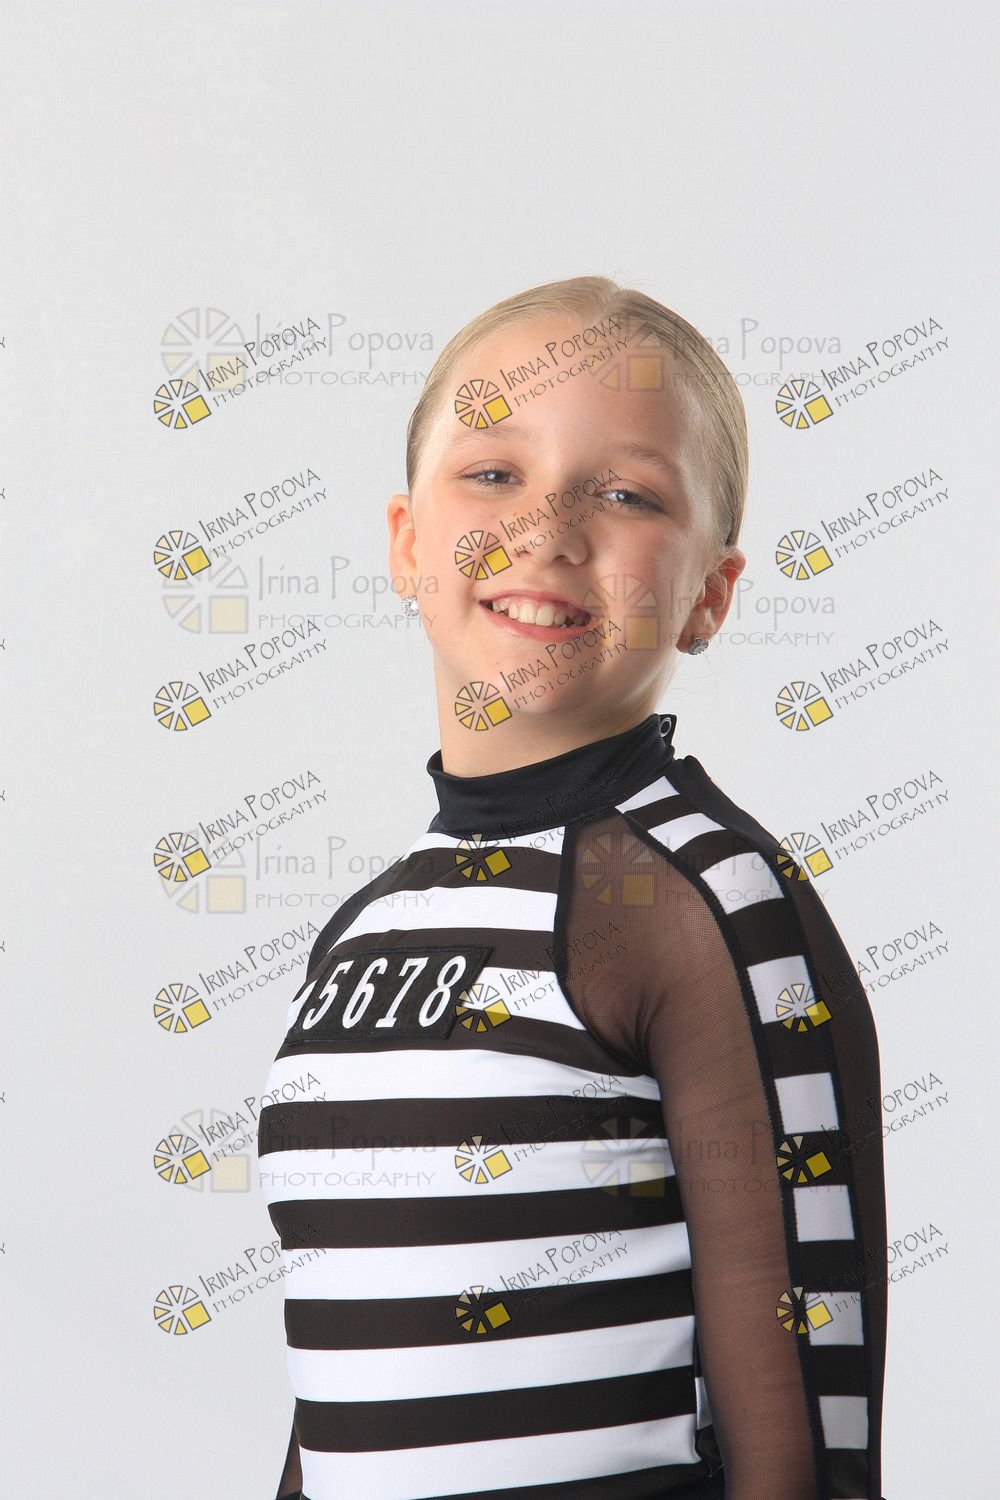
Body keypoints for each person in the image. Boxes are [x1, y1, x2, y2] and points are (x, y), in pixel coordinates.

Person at [257, 275, 888, 1500]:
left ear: (709, 593)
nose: (545, 529)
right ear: (406, 542)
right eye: (493, 472)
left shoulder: (704, 899)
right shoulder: (369, 928)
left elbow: (806, 1437)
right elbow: (343, 1401)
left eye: (626, 494)